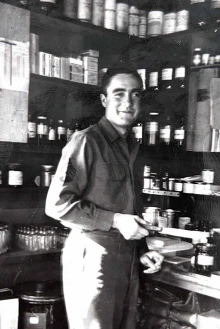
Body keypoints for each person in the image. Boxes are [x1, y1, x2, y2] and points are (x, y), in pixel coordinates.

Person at [45, 67, 164, 329]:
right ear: (104, 100)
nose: (128, 102)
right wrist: (117, 221)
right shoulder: (87, 141)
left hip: (127, 258)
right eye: (119, 93)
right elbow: (57, 205)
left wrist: (142, 251)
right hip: (94, 258)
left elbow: (125, 206)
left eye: (135, 95)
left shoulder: (131, 147)